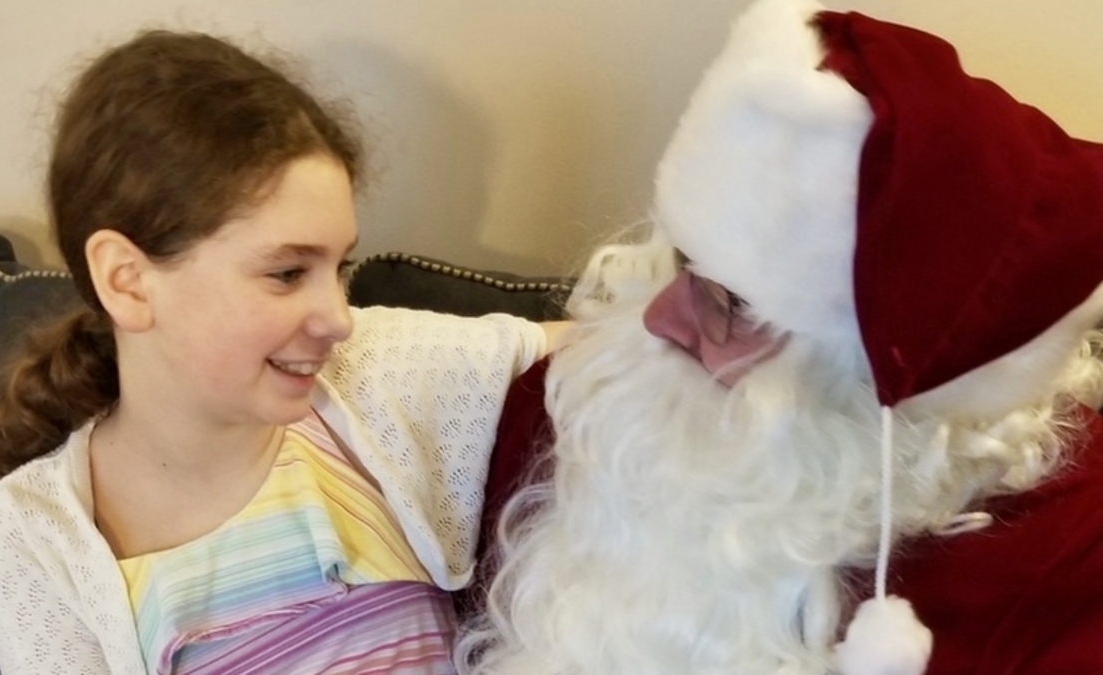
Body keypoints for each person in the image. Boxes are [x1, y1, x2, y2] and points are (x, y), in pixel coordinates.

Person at [458, 0, 1103, 674]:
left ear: (881, 382)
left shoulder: (1071, 561)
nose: (657, 319)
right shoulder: (577, 403)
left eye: (732, 304)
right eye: (680, 262)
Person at [0, 30, 565, 675]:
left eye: (340, 267)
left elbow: (623, 347)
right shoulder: (33, 534)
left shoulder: (376, 368)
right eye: (286, 274)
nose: (338, 318)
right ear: (127, 280)